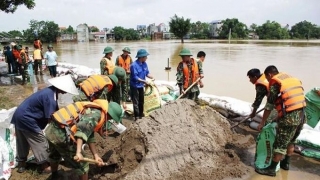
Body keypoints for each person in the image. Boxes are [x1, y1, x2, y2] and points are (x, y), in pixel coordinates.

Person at [10, 74, 79, 174]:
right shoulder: (50, 98)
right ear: (61, 88)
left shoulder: (49, 92)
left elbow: (56, 112)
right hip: (28, 119)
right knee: (40, 141)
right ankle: (45, 166)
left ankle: (22, 164)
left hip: (19, 115)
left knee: (22, 142)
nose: (66, 92)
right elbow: (51, 118)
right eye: (66, 90)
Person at [45, 100, 123, 180]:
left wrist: (96, 156)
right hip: (60, 135)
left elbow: (90, 135)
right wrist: (78, 152)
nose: (108, 120)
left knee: (55, 154)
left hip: (51, 130)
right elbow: (82, 131)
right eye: (111, 118)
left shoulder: (94, 108)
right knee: (83, 165)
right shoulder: (96, 114)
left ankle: (54, 176)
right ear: (109, 115)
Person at [255, 65, 306, 177]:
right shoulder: (291, 80)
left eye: (268, 79)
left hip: (289, 119)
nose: (268, 82)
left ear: (270, 74)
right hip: (302, 115)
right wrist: (278, 116)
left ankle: (271, 169)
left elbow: (269, 106)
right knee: (291, 141)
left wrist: (262, 123)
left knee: (280, 144)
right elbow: (290, 101)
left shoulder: (275, 84)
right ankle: (285, 164)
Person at [130, 49, 154, 120]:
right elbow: (135, 77)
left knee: (141, 101)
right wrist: (144, 81)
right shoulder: (134, 65)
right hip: (135, 86)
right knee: (136, 101)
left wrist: (152, 77)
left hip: (141, 86)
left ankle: (141, 114)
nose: (147, 58)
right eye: (146, 56)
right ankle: (137, 116)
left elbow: (147, 73)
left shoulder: (144, 64)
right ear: (141, 57)